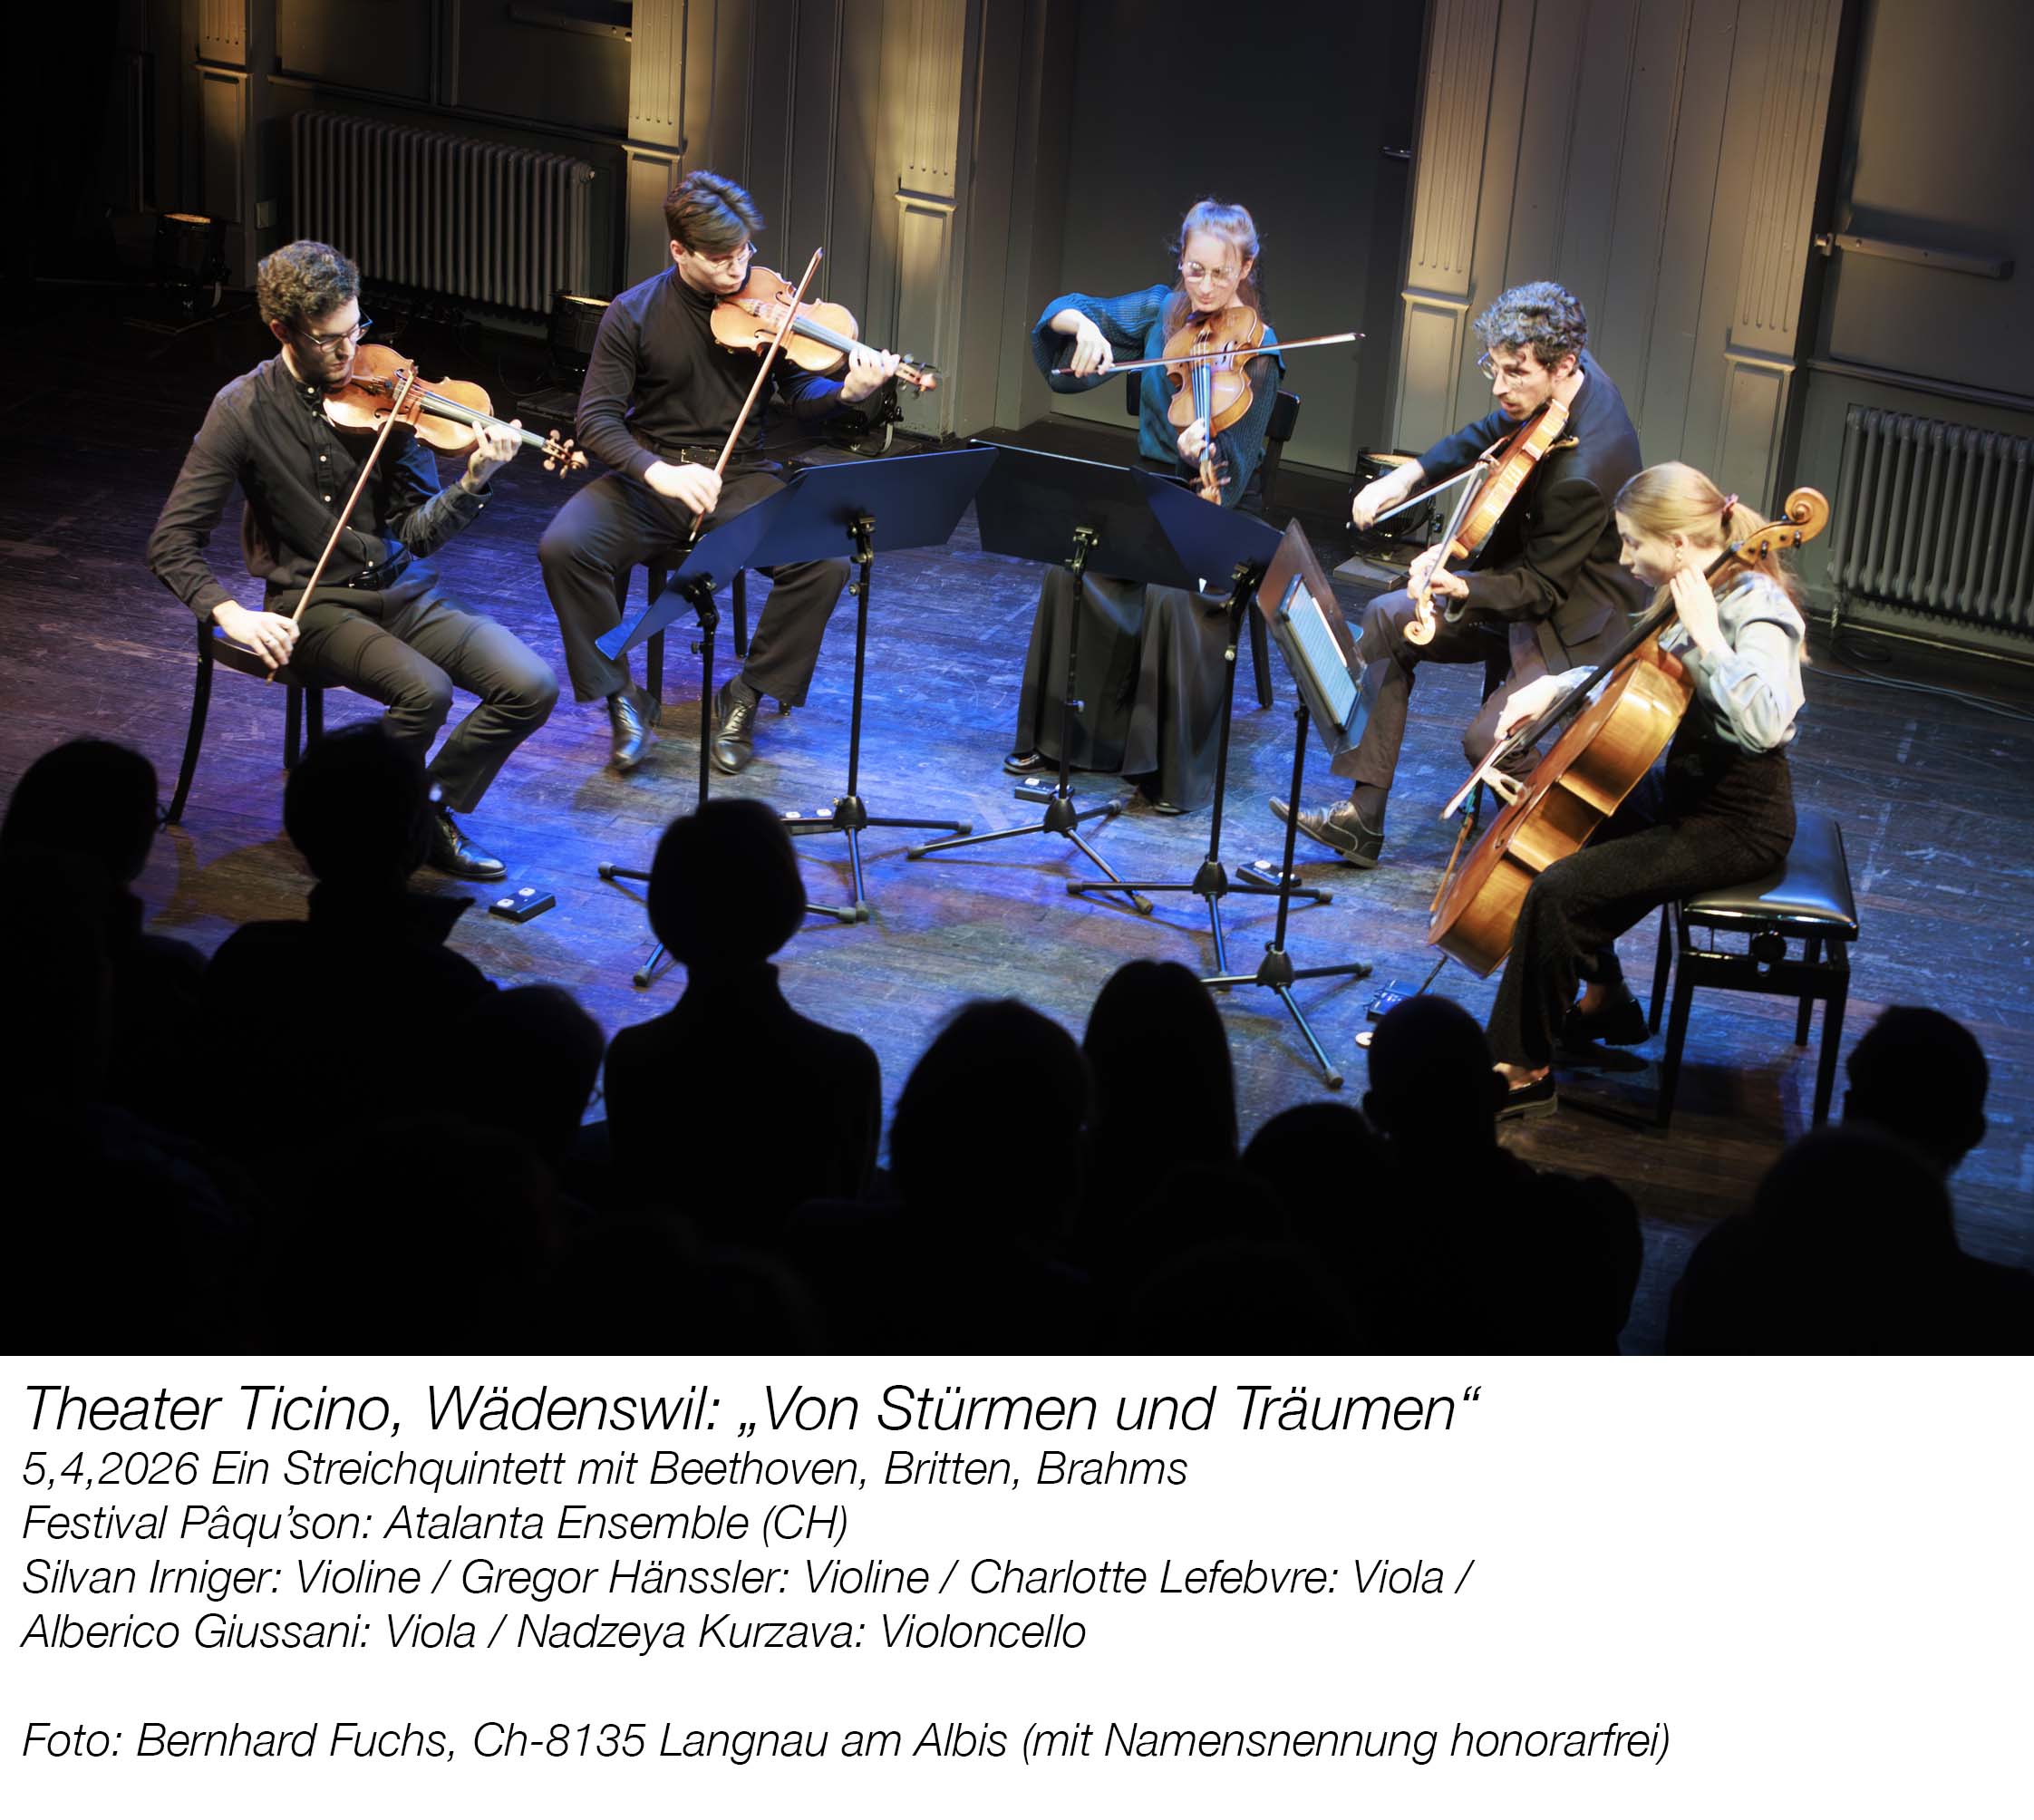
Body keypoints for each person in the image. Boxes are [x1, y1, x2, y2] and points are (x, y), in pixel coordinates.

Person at [147, 239, 557, 879]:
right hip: (315, 607)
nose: (349, 351)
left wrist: (473, 482)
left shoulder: (390, 394)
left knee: (530, 686)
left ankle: (425, 809)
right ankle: (357, 820)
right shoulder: (242, 409)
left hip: (404, 590)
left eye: (356, 328)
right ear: (282, 330)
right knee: (426, 692)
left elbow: (416, 533)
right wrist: (232, 614)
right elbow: (171, 540)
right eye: (329, 339)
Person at [539, 171, 900, 776]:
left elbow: (800, 393)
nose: (738, 270)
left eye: (744, 253)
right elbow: (596, 420)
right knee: (563, 548)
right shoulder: (633, 313)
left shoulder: (769, 307)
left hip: (739, 475)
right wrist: (656, 472)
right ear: (679, 251)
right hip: (651, 478)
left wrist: (847, 393)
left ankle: (746, 694)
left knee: (825, 559)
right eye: (721, 259)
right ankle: (623, 698)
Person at [1274, 280, 1642, 865]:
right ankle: (1362, 820)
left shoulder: (1584, 470)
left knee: (1489, 741)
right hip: (1521, 582)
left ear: (1564, 365)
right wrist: (1409, 476)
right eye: (1494, 368)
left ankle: (1554, 861)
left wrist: (1463, 583)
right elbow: (1491, 430)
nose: (1500, 386)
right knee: (1389, 618)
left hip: (1570, 623)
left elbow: (1542, 589)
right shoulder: (1562, 376)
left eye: (1515, 373)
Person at [1480, 460, 1806, 1118]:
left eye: (1633, 542)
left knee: (1560, 890)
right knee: (1554, 819)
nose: (1625, 558)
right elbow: (1640, 677)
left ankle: (1524, 1068)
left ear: (1678, 542)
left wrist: (1710, 639)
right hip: (1688, 788)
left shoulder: (1758, 605)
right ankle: (1606, 1000)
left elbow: (1768, 724)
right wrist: (1550, 690)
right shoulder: (1697, 584)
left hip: (1737, 821)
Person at [1005, 198, 1283, 813]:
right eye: (1194, 269)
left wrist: (1201, 455)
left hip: (1217, 509)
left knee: (1172, 595)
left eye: (1220, 273)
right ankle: (1070, 741)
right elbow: (1063, 309)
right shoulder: (1162, 311)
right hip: (1148, 496)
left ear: (1245, 268)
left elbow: (1233, 469)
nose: (1204, 287)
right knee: (1070, 569)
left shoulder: (1259, 349)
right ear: (1180, 261)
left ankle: (1164, 767)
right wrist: (1084, 329)